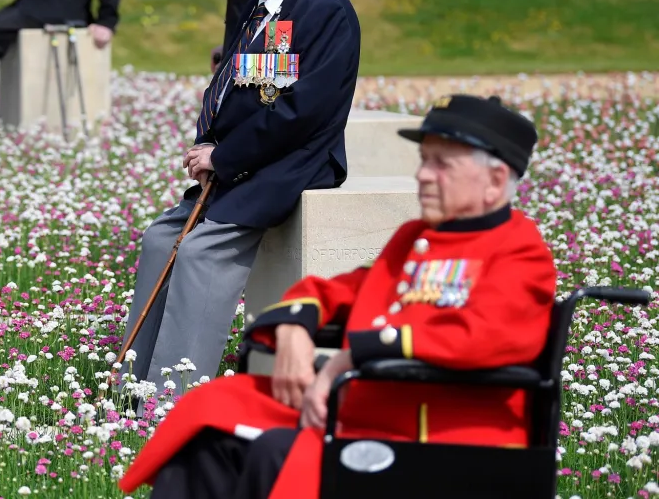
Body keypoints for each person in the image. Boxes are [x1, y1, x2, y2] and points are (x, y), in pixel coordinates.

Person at [117, 94, 556, 499]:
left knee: (272, 450)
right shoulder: (415, 237)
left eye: (442, 165)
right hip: (364, 409)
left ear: (495, 181)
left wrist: (354, 356)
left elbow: (491, 337)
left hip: (441, 435)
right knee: (210, 416)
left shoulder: (519, 249)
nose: (423, 174)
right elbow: (341, 291)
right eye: (424, 161)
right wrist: (294, 324)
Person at [119, 0, 360, 399]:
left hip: (295, 162)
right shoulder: (269, 7)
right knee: (162, 238)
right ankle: (129, 381)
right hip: (251, 159)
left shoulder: (322, 7)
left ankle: (173, 396)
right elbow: (251, 90)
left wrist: (224, 157)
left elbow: (299, 113)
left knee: (202, 251)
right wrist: (211, 143)